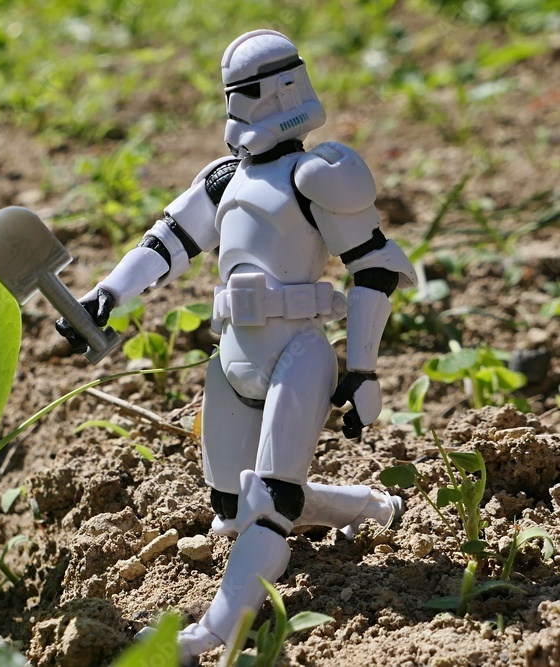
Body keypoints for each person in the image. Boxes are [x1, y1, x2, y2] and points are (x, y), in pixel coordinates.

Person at [56, 29, 417, 662]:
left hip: (297, 353)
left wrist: (361, 368)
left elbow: (374, 266)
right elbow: (165, 244)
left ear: (282, 89)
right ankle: (362, 506)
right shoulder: (223, 178)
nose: (238, 108)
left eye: (246, 93)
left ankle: (217, 631)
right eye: (233, 94)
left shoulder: (319, 174)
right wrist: (107, 296)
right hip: (233, 355)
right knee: (231, 505)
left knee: (270, 501)